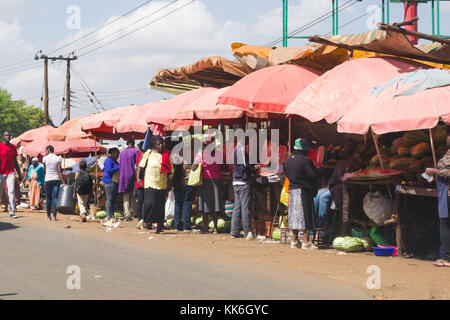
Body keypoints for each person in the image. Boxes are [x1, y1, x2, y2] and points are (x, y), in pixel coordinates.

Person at [282, 138, 320, 250]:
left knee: (294, 216)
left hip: (292, 191)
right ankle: (306, 241)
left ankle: (294, 241)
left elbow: (287, 174)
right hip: (304, 191)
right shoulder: (305, 160)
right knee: (306, 216)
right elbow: (313, 175)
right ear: (304, 150)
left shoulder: (287, 160)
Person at [137, 135, 173, 234]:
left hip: (162, 184)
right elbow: (140, 166)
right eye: (159, 144)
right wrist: (138, 178)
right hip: (150, 183)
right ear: (154, 145)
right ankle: (146, 221)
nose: (161, 145)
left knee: (160, 206)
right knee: (150, 203)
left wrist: (170, 176)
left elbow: (171, 169)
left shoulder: (166, 155)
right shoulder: (148, 153)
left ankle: (159, 226)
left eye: (162, 143)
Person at [426, 129, 450, 267]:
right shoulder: (447, 153)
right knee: (445, 222)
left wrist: (435, 171)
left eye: (448, 135)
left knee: (445, 223)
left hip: (448, 193)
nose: (447, 138)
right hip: (443, 192)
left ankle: (448, 257)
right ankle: (447, 256)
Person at [194, 136, 223, 234]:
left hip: (205, 180)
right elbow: (223, 167)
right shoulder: (219, 154)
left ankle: (205, 228)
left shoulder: (201, 154)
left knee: (205, 203)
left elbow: (194, 167)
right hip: (217, 180)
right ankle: (215, 228)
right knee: (215, 203)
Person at [328, 139, 363, 214]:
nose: (346, 148)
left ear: (353, 148)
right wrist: (329, 185)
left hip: (347, 186)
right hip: (334, 185)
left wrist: (349, 158)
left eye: (349, 146)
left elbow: (359, 169)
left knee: (323, 198)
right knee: (318, 196)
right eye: (345, 145)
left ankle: (324, 223)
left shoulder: (356, 159)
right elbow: (335, 175)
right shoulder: (341, 161)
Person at [231, 138, 254, 240]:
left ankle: (234, 231)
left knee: (237, 206)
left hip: (236, 181)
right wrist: (254, 169)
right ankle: (247, 231)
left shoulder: (236, 149)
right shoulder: (241, 150)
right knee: (245, 207)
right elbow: (244, 167)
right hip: (243, 181)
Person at [0, 131, 23, 218]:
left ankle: (12, 211)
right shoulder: (0, 146)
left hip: (10, 172)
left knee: (11, 191)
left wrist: (19, 174)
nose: (8, 137)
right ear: (3, 136)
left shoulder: (13, 147)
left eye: (9, 135)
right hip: (1, 172)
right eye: (6, 135)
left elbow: (15, 161)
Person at [172, 148, 193, 233]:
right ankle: (186, 226)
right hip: (186, 184)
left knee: (177, 204)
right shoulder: (188, 159)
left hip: (176, 184)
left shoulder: (176, 159)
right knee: (186, 204)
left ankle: (176, 226)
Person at [118, 139, 140, 221]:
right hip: (132, 175)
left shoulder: (122, 153)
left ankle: (127, 214)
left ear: (127, 144)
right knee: (133, 194)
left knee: (126, 195)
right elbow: (138, 164)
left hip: (123, 175)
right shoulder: (136, 151)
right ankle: (134, 212)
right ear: (134, 143)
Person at [42, 145, 66, 221]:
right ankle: (54, 216)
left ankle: (48, 216)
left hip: (48, 179)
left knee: (48, 198)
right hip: (56, 180)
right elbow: (59, 171)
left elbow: (45, 170)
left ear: (48, 150)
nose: (45, 152)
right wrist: (63, 182)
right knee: (55, 198)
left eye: (45, 151)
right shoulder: (58, 158)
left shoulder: (45, 158)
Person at [102, 147, 120, 221]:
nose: (118, 155)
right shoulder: (108, 160)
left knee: (113, 199)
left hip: (115, 182)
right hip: (109, 182)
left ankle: (111, 215)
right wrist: (118, 168)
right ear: (112, 153)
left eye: (118, 153)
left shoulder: (114, 161)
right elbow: (108, 170)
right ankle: (109, 216)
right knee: (109, 199)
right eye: (117, 153)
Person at [135, 141, 145, 228]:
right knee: (143, 201)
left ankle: (140, 218)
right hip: (143, 182)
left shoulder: (139, 155)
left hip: (140, 182)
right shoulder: (143, 155)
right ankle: (142, 218)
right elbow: (139, 167)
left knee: (140, 201)